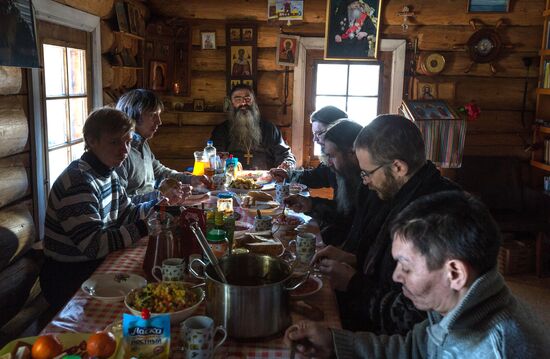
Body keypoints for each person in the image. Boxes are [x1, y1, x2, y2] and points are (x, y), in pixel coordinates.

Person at [285, 191, 550, 358]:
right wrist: (335, 342)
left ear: (454, 273)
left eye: (406, 266)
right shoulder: (458, 306)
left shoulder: (494, 348)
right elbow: (415, 349)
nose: (397, 276)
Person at [312, 115, 461, 334]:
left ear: (398, 167)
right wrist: (354, 258)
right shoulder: (401, 191)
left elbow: (417, 320)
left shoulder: (436, 215)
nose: (365, 181)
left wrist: (353, 284)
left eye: (368, 173)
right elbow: (386, 265)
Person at [40, 108, 158, 309]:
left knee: (152, 279)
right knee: (144, 296)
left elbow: (126, 213)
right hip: (68, 276)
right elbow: (95, 245)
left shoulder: (107, 172)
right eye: (114, 142)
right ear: (91, 141)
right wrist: (146, 226)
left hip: (94, 265)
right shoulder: (78, 182)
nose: (124, 151)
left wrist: (160, 208)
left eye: (128, 142)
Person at [116, 89, 207, 204]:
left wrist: (191, 179)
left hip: (153, 210)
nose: (159, 122)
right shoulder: (120, 154)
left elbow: (160, 172)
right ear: (133, 115)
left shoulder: (142, 144)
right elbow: (120, 205)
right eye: (153, 115)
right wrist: (161, 196)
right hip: (138, 218)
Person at [283, 120, 363, 246]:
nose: (329, 163)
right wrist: (311, 204)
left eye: (332, 156)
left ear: (352, 153)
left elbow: (357, 234)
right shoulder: (347, 173)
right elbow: (342, 216)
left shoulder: (370, 185)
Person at [211, 84, 296, 170]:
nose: (243, 103)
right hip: (232, 178)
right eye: (238, 99)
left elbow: (285, 154)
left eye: (247, 98)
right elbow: (216, 155)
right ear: (232, 103)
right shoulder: (221, 130)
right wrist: (224, 161)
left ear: (254, 101)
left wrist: (286, 164)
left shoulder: (269, 128)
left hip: (265, 180)